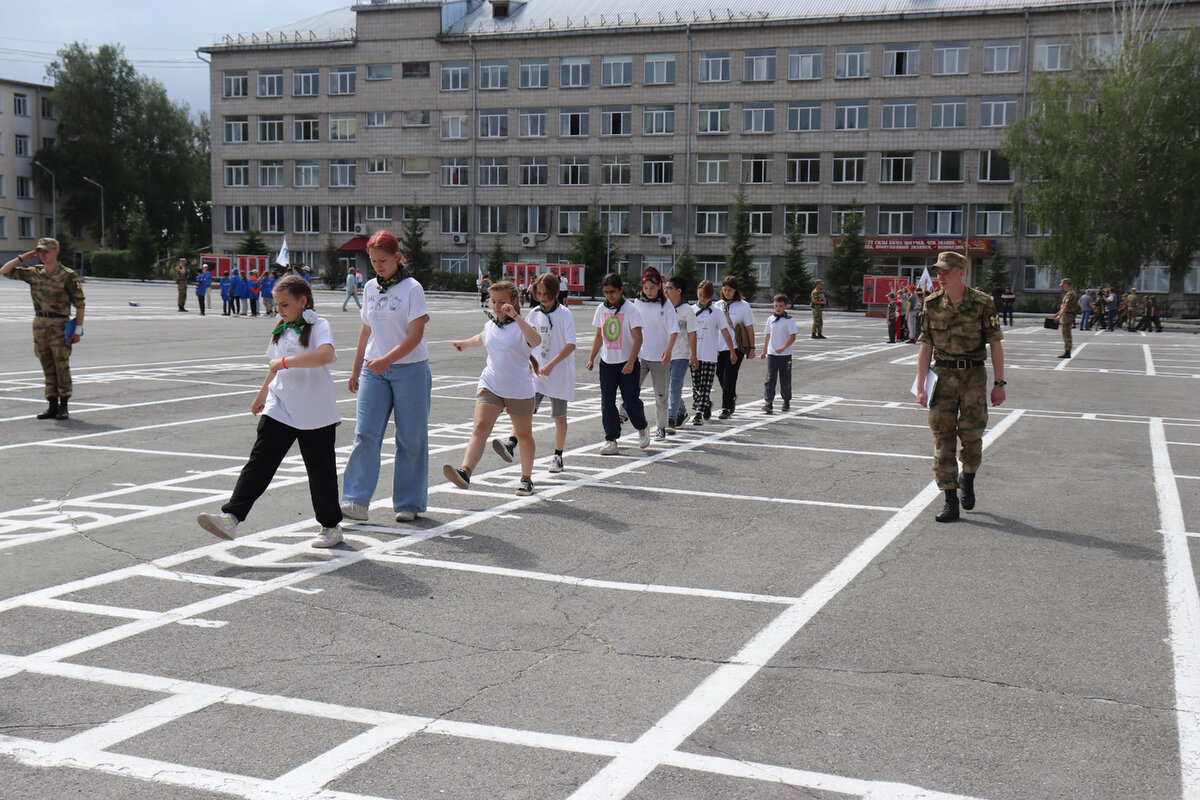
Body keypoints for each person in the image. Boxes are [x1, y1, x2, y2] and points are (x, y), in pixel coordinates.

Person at [196, 275, 343, 548]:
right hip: (281, 406)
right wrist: (263, 393)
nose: (280, 309)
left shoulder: (319, 325)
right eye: (277, 304)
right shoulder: (281, 327)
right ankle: (231, 517)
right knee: (260, 461)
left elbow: (324, 355)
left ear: (303, 301)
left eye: (285, 304)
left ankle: (331, 526)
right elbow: (273, 367)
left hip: (315, 410)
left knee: (320, 471)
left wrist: (285, 362)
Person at [341, 231, 432, 524]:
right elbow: (366, 331)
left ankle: (408, 502)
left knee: (410, 438)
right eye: (373, 261)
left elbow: (416, 335)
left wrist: (387, 360)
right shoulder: (369, 287)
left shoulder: (412, 288)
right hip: (374, 371)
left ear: (397, 257)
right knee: (365, 434)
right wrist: (357, 369)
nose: (378, 266)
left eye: (383, 260)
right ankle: (355, 501)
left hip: (411, 369)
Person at [915, 252, 1005, 523]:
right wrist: (920, 385)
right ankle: (950, 499)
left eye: (945, 271)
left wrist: (999, 383)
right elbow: (926, 346)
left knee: (972, 436)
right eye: (938, 272)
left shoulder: (982, 303)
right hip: (941, 377)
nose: (939, 276)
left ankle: (968, 476)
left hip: (973, 379)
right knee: (942, 439)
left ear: (961, 272)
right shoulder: (931, 304)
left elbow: (996, 344)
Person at [445, 280, 541, 496]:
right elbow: (481, 338)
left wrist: (516, 316)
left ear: (514, 302)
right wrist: (465, 343)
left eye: (503, 302)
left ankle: (526, 479)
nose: (497, 306)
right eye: (494, 301)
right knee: (480, 427)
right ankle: (465, 472)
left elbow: (536, 340)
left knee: (524, 436)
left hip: (518, 389)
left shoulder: (522, 326)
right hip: (491, 385)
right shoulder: (491, 326)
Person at [494, 272, 576, 474]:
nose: (542, 297)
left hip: (558, 372)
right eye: (538, 293)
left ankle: (558, 455)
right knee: (527, 409)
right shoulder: (534, 314)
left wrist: (551, 365)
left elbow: (570, 345)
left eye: (546, 293)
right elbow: (524, 340)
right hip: (537, 372)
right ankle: (512, 442)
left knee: (559, 416)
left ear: (555, 292)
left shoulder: (564, 314)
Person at [1, 238, 85, 420]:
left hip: (60, 324)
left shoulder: (67, 275)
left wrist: (77, 330)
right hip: (40, 324)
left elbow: (80, 303)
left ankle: (64, 406)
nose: (43, 255)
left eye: (46, 251)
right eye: (40, 251)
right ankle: (52, 405)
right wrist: (22, 258)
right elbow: (4, 271)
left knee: (61, 365)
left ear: (56, 252)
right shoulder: (34, 273)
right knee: (46, 365)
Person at [585, 272, 650, 454]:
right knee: (607, 402)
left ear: (621, 290)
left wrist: (630, 363)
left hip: (627, 363)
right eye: (606, 292)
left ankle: (642, 426)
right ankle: (611, 438)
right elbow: (599, 336)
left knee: (630, 401)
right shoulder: (601, 309)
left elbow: (638, 338)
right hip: (607, 363)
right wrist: (591, 358)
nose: (609, 296)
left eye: (612, 292)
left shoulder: (631, 310)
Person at [624, 266, 679, 439]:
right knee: (630, 390)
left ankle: (661, 426)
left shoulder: (666, 304)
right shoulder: (637, 303)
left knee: (661, 394)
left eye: (653, 288)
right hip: (639, 355)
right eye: (646, 288)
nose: (649, 291)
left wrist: (668, 350)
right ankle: (622, 416)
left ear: (659, 287)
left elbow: (674, 330)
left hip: (660, 357)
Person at [690, 280, 737, 425]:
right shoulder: (691, 310)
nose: (702, 299)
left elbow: (725, 331)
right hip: (694, 353)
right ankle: (706, 404)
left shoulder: (716, 312)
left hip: (710, 354)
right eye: (700, 295)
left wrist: (732, 351)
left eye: (705, 296)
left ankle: (698, 412)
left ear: (710, 296)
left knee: (705, 384)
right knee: (696, 384)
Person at [715, 275, 755, 420]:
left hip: (737, 347)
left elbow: (749, 328)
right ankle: (730, 395)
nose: (727, 293)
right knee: (720, 374)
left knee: (730, 376)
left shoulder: (743, 305)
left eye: (730, 290)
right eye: (724, 290)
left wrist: (752, 348)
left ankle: (726, 407)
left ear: (736, 290)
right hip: (720, 347)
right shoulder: (717, 305)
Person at [664, 275, 698, 431]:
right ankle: (681, 411)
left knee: (675, 385)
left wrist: (694, 355)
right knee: (667, 386)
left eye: (669, 288)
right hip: (665, 354)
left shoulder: (687, 310)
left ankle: (670, 419)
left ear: (678, 291)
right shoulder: (663, 308)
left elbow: (692, 333)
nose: (666, 291)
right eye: (665, 288)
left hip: (681, 355)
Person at [760, 294, 797, 414]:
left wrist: (783, 347)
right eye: (776, 305)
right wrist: (764, 351)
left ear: (786, 306)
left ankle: (786, 400)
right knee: (770, 378)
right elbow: (768, 335)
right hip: (772, 354)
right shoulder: (770, 319)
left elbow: (792, 337)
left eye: (780, 306)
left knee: (785, 379)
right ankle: (769, 402)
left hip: (785, 354)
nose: (778, 308)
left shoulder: (790, 320)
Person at [1052, 277, 1079, 358]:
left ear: (1067, 284)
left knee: (1066, 333)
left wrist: (1059, 316)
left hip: (1068, 316)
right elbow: (1064, 307)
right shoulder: (1070, 293)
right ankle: (1067, 351)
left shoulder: (1070, 294)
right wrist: (1058, 314)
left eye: (1063, 285)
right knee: (1066, 333)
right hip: (1067, 315)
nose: (1062, 287)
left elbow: (1066, 306)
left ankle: (1067, 351)